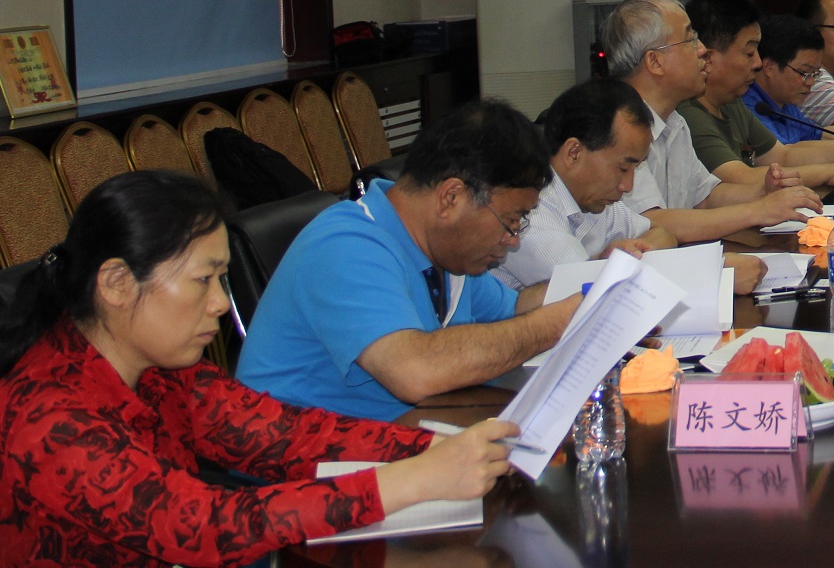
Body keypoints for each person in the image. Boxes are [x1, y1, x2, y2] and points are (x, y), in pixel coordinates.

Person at [0, 171, 515, 567]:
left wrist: (434, 447)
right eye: (203, 280)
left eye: (223, 280)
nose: (221, 304)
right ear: (116, 284)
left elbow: (288, 436)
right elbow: (202, 526)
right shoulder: (50, 418)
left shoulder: (161, 370)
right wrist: (411, 480)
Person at [238, 100, 582, 420]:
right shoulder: (346, 246)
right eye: (510, 220)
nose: (514, 239)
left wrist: (591, 288)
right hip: (306, 457)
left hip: (404, 435)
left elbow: (516, 308)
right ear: (451, 197)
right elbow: (416, 372)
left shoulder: (447, 255)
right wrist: (554, 324)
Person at [603, 0, 823, 247]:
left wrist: (763, 192)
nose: (702, 50)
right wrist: (757, 211)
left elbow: (706, 197)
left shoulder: (674, 121)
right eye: (690, 39)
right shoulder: (615, 127)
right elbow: (651, 222)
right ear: (655, 61)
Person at [493, 78, 676, 290]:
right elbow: (584, 292)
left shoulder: (593, 199)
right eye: (623, 168)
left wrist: (634, 253)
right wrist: (613, 263)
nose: (627, 186)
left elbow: (663, 234)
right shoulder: (532, 210)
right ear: (574, 153)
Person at [684, 0, 834, 192]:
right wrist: (830, 172)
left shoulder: (731, 102)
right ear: (708, 57)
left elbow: (782, 156)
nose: (758, 63)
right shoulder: (688, 113)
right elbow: (742, 178)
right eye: (749, 53)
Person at [749, 13, 834, 151]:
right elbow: (787, 156)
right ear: (769, 67)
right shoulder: (750, 107)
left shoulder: (784, 102)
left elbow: (819, 135)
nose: (811, 82)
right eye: (804, 73)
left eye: (815, 74)